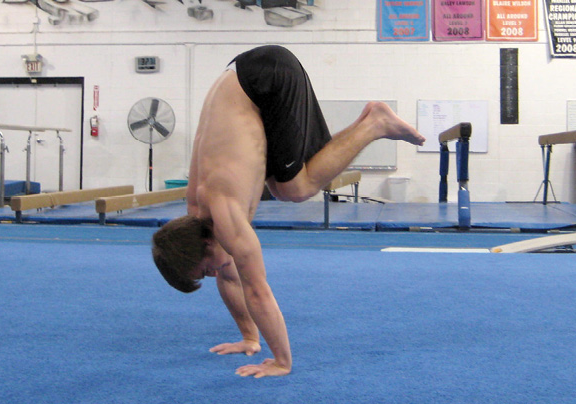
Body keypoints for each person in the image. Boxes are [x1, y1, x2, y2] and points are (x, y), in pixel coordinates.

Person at [152, 45, 425, 378]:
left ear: (205, 245)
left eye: (202, 271)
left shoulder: (224, 214)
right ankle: (372, 122)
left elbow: (256, 290)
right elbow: (225, 274)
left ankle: (375, 123)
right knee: (284, 189)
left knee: (296, 188)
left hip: (268, 77)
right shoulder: (198, 219)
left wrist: (281, 361)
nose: (211, 275)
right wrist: (250, 337)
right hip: (245, 81)